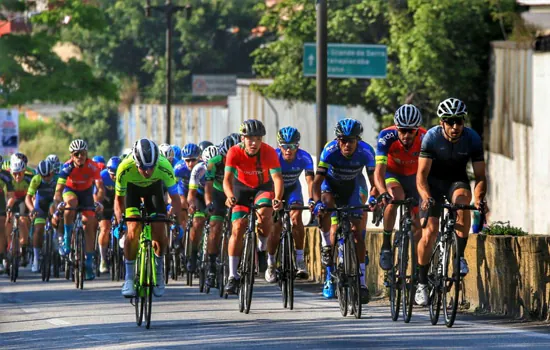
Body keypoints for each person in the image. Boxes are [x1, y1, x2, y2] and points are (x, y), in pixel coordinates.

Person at [415, 98, 487, 306]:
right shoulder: (431, 138)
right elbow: (421, 175)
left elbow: (481, 176)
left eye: (459, 121)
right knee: (430, 232)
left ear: (464, 122)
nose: (455, 126)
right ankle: (421, 283)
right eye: (450, 121)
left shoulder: (472, 138)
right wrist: (426, 197)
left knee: (463, 203)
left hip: (456, 180)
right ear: (442, 123)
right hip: (432, 184)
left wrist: (480, 198)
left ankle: (459, 256)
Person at [312, 118, 377, 303]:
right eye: (342, 140)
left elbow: (374, 183)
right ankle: (329, 272)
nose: (346, 144)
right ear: (337, 139)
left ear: (358, 140)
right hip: (330, 186)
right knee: (326, 208)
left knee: (357, 234)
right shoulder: (330, 150)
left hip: (353, 187)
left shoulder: (366, 151)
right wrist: (316, 203)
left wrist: (373, 197)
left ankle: (362, 283)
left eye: (351, 140)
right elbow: (316, 182)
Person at [115, 139, 183, 297]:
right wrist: (121, 223)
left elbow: (176, 199)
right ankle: (129, 278)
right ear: (136, 162)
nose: (148, 172)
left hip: (154, 191)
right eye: (144, 168)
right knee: (133, 230)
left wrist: (175, 220)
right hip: (132, 191)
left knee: (159, 232)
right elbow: (119, 200)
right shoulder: (124, 167)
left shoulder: (164, 166)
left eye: (151, 167)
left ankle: (158, 273)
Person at [223, 120, 284, 294]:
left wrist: (278, 198)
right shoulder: (234, 152)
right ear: (242, 138)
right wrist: (229, 196)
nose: (254, 143)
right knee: (237, 228)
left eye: (258, 138)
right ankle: (233, 276)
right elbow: (227, 179)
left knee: (265, 214)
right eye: (250, 138)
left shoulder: (269, 152)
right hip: (240, 188)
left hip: (262, 187)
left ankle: (261, 248)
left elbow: (277, 178)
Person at [374, 104, 426, 270]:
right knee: (395, 197)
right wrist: (382, 192)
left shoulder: (426, 138)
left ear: (417, 130)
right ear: (396, 128)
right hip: (393, 175)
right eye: (402, 130)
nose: (405, 135)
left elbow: (430, 171)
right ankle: (386, 245)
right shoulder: (386, 136)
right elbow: (378, 172)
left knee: (418, 224)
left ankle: (419, 267)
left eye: (410, 131)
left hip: (414, 177)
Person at [54, 139, 105, 280]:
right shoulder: (66, 167)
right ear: (71, 156)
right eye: (76, 154)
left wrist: (98, 202)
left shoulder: (92, 166)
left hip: (87, 193)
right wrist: (59, 203)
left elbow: (100, 188)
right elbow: (58, 191)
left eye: (82, 153)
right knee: (71, 203)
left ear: (86, 154)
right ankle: (66, 238)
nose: (80, 157)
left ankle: (88, 263)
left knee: (89, 223)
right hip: (70, 191)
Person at [273, 126, 314, 279]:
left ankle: (299, 259)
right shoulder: (273, 156)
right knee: (275, 227)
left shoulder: (304, 157)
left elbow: (310, 182)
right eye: (284, 146)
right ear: (279, 146)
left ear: (298, 146)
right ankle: (271, 262)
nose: (288, 150)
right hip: (274, 190)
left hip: (293, 189)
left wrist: (312, 200)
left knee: (296, 219)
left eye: (292, 146)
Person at [204, 135, 239, 288]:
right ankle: (211, 266)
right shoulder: (213, 163)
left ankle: (236, 264)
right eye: (225, 157)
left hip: (236, 192)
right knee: (215, 227)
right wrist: (209, 203)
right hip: (218, 193)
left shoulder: (242, 161)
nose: (228, 160)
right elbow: (208, 186)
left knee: (237, 228)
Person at [186, 145, 218, 274]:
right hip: (199, 196)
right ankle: (193, 255)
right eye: (207, 164)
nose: (211, 167)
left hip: (216, 195)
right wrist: (191, 205)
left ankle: (217, 257)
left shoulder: (223, 168)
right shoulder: (198, 169)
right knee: (198, 222)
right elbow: (191, 193)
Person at [26, 160, 57, 272]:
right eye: (43, 176)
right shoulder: (36, 179)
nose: (46, 178)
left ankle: (57, 240)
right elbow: (28, 197)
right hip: (40, 205)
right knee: (38, 230)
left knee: (55, 213)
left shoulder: (57, 178)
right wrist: (32, 209)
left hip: (53, 203)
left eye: (48, 175)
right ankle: (36, 258)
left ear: (52, 172)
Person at [96, 156, 121, 274]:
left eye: (117, 174)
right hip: (105, 202)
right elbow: (96, 195)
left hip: (119, 200)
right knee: (105, 228)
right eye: (112, 174)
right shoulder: (102, 176)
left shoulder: (124, 175)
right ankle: (103, 259)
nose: (114, 177)